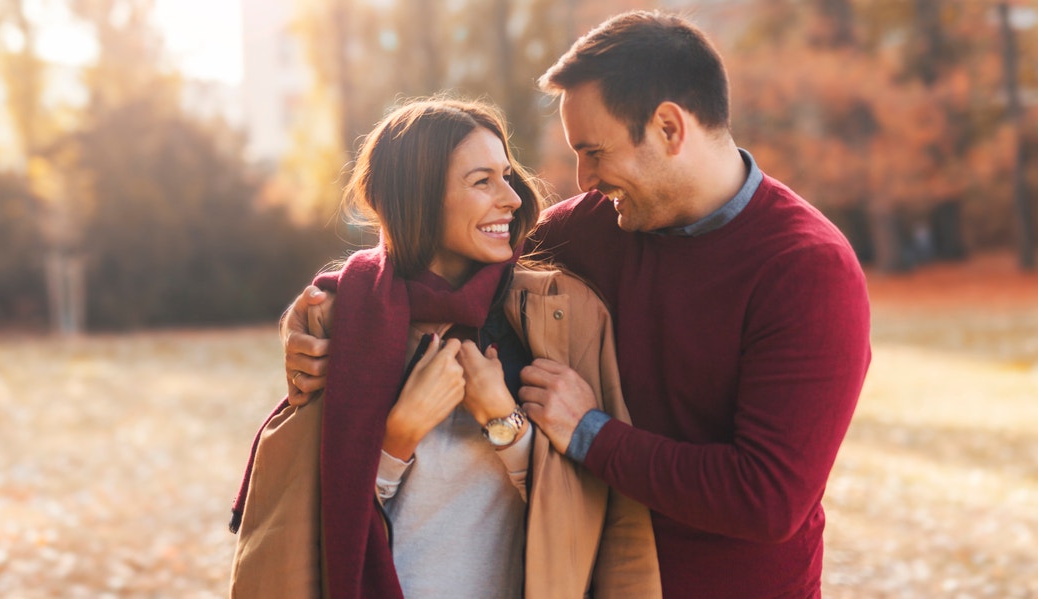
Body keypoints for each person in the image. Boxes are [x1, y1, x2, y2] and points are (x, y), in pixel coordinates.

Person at [282, 10, 872, 599]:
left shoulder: (807, 270)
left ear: (669, 128)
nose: (583, 179)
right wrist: (325, 312)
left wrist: (590, 432)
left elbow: (765, 500)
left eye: (594, 151)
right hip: (596, 579)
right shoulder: (597, 227)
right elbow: (437, 253)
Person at [229, 98, 661, 599]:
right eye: (482, 181)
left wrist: (504, 422)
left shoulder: (565, 314)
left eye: (507, 175)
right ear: (420, 199)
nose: (512, 198)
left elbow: (608, 518)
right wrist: (398, 438)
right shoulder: (342, 322)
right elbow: (313, 527)